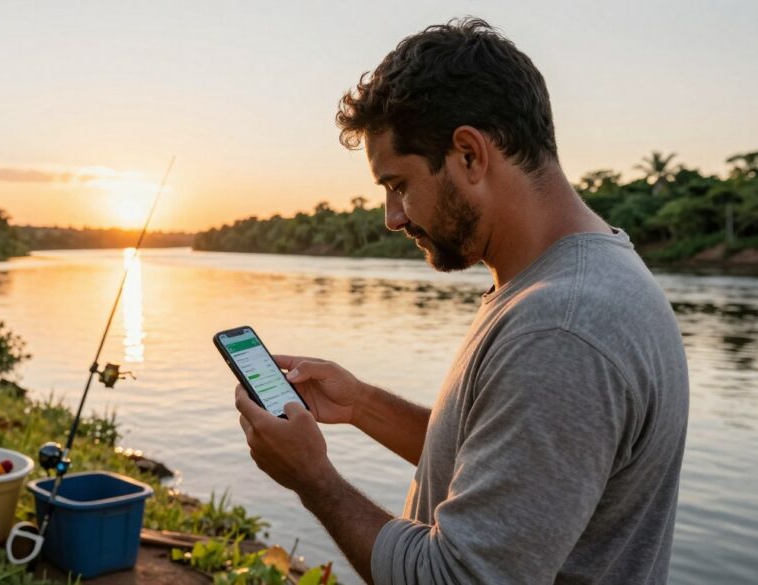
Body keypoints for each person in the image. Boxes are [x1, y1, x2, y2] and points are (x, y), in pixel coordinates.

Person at [233, 17, 689, 585]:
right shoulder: (564, 285)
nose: (393, 217)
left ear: (470, 155)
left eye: (398, 185)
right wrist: (362, 406)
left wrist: (313, 479)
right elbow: (506, 463)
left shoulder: (562, 327)